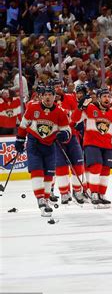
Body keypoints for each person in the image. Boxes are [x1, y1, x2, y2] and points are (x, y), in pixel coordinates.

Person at [15, 86, 71, 217]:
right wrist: (20, 140)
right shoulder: (33, 108)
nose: (47, 97)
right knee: (37, 170)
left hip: (50, 145)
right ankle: (40, 199)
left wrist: (64, 135)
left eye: (50, 95)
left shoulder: (60, 112)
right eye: (45, 94)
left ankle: (45, 199)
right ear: (41, 96)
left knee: (48, 174)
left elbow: (67, 130)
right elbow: (23, 125)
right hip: (34, 143)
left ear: (54, 97)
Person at [79, 88, 112, 208]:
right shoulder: (90, 108)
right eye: (104, 96)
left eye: (109, 96)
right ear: (98, 98)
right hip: (91, 144)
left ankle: (102, 195)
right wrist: (80, 107)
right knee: (96, 167)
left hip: (107, 145)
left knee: (105, 170)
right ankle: (93, 193)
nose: (107, 99)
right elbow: (76, 119)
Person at [51, 79, 87, 205]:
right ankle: (64, 193)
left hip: (71, 136)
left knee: (78, 164)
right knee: (61, 167)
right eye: (55, 87)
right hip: (56, 139)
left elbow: (76, 116)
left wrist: (73, 124)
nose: (57, 88)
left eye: (59, 85)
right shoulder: (48, 101)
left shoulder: (70, 98)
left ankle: (77, 191)